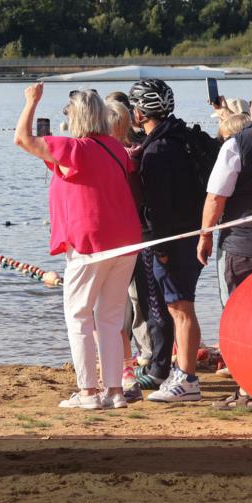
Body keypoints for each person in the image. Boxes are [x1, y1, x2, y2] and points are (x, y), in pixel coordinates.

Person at [15, 85, 142, 410]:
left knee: (79, 316)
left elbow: (22, 139)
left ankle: (88, 392)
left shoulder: (77, 148)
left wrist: (31, 103)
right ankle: (114, 391)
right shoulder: (112, 147)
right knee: (110, 318)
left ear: (78, 118)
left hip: (91, 244)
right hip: (125, 241)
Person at [197, 79, 252, 410]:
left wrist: (205, 235)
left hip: (243, 246)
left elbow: (216, 197)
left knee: (238, 316)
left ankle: (248, 390)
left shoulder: (239, 143)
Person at [128, 79, 214, 402]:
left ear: (139, 112)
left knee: (180, 309)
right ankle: (183, 370)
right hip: (192, 234)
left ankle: (188, 379)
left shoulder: (157, 151)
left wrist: (161, 250)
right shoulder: (181, 137)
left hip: (173, 240)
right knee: (183, 307)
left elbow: (160, 207)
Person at [106, 99, 151, 398]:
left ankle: (127, 368)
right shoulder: (131, 155)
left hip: (119, 241)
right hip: (131, 237)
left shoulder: (119, 156)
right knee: (126, 305)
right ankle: (133, 363)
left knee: (118, 309)